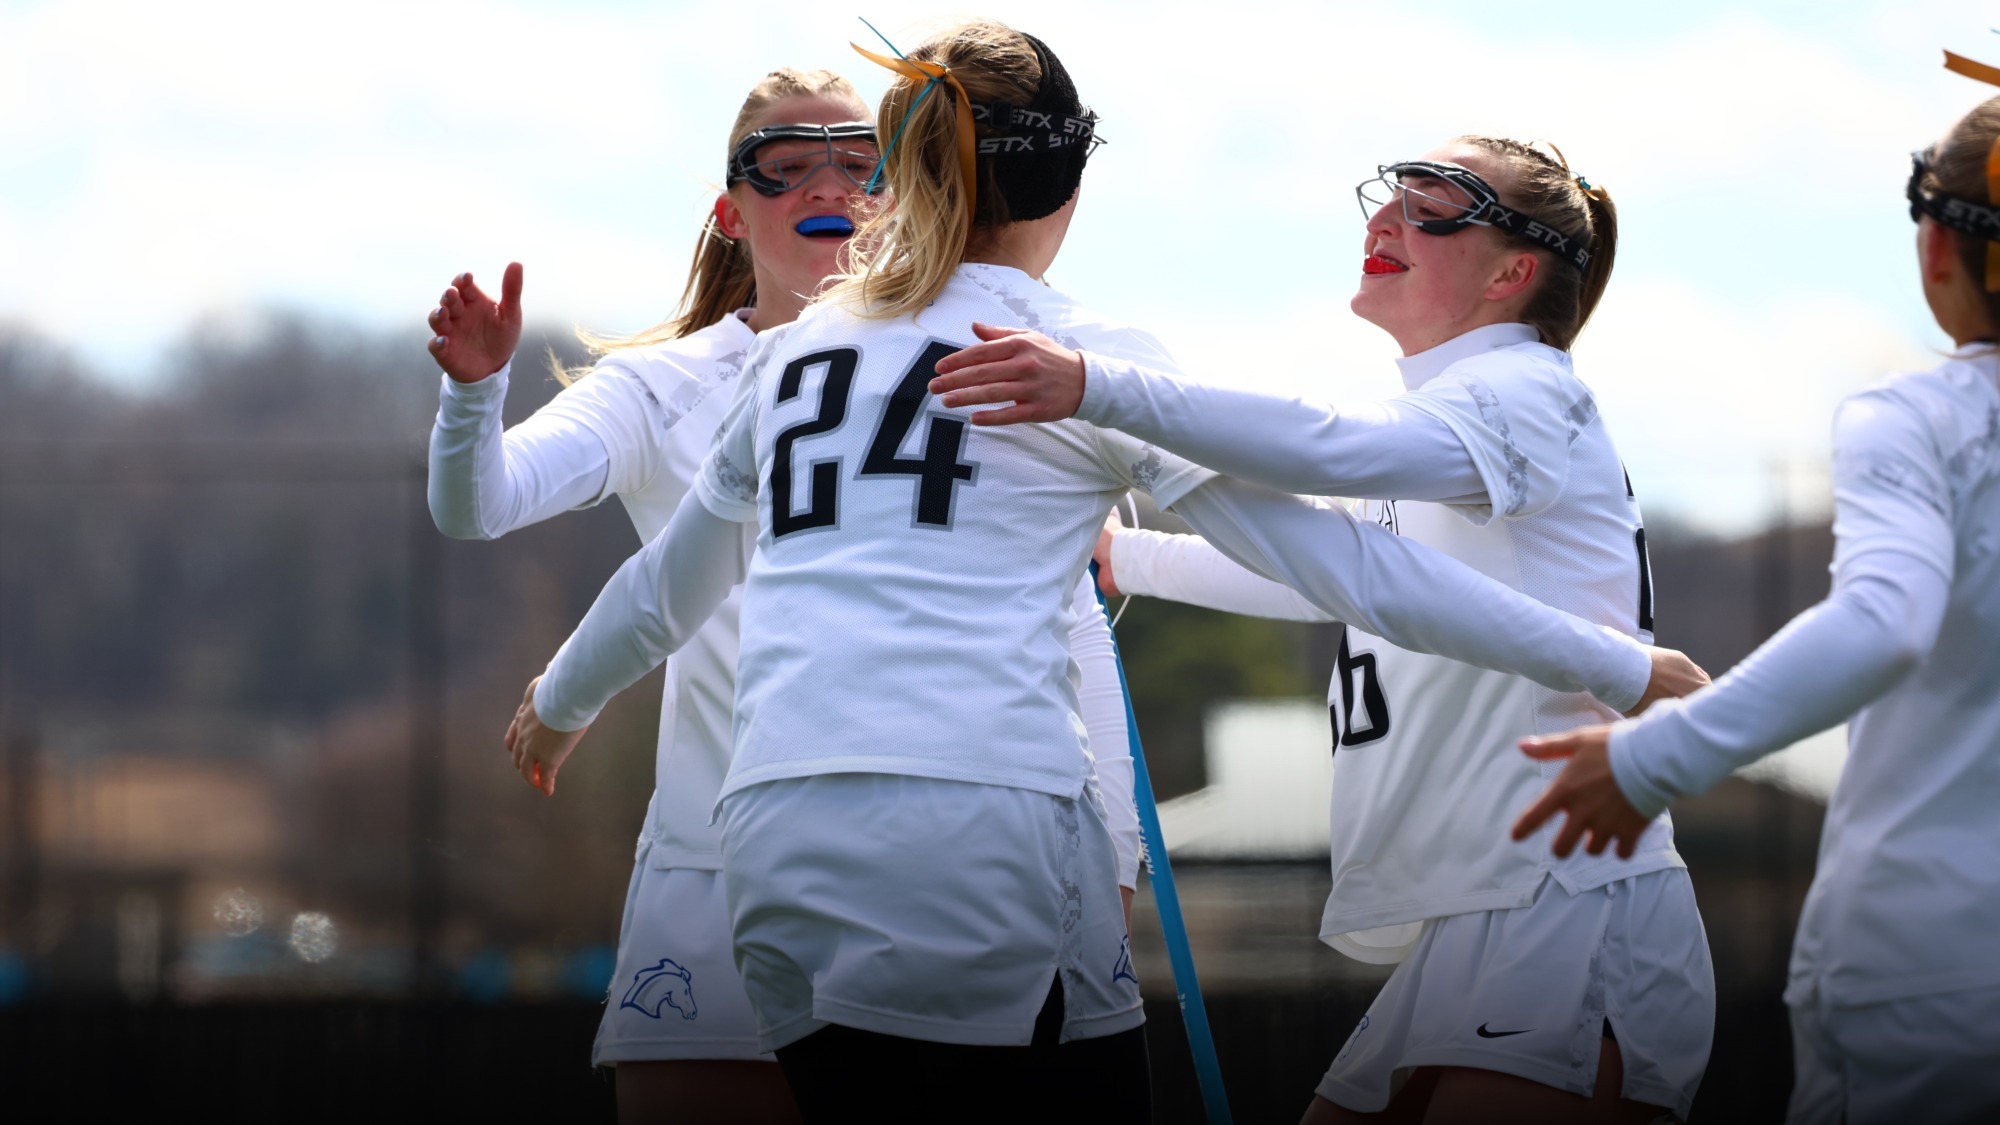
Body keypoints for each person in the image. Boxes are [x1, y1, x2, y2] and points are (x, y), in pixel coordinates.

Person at [508, 21, 1705, 1122]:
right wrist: (1615, 661)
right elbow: (1344, 564)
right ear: (1070, 182)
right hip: (974, 813)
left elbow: (673, 582)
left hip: (771, 828)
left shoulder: (797, 351)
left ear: (904, 173)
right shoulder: (1075, 355)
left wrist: (558, 705)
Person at [416, 69, 1162, 1125]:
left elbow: (1072, 625)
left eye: (860, 157)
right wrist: (472, 394)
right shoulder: (666, 383)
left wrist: (1115, 855)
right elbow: (483, 506)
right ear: (730, 210)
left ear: (905, 190)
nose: (825, 179)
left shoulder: (989, 360)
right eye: (783, 161)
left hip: (932, 854)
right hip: (716, 858)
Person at [930, 140, 1716, 1122]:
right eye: (1388, 196)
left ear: (1514, 270)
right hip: (1481, 917)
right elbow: (1323, 570)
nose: (1383, 221)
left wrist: (1099, 385)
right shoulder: (1450, 414)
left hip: (1564, 901)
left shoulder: (1524, 391)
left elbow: (1333, 453)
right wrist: (1128, 560)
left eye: (1435, 208)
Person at [1511, 87, 2000, 1125]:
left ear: (1933, 250)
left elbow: (1883, 621)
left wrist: (1654, 758)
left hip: (1933, 976)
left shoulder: (1919, 418)